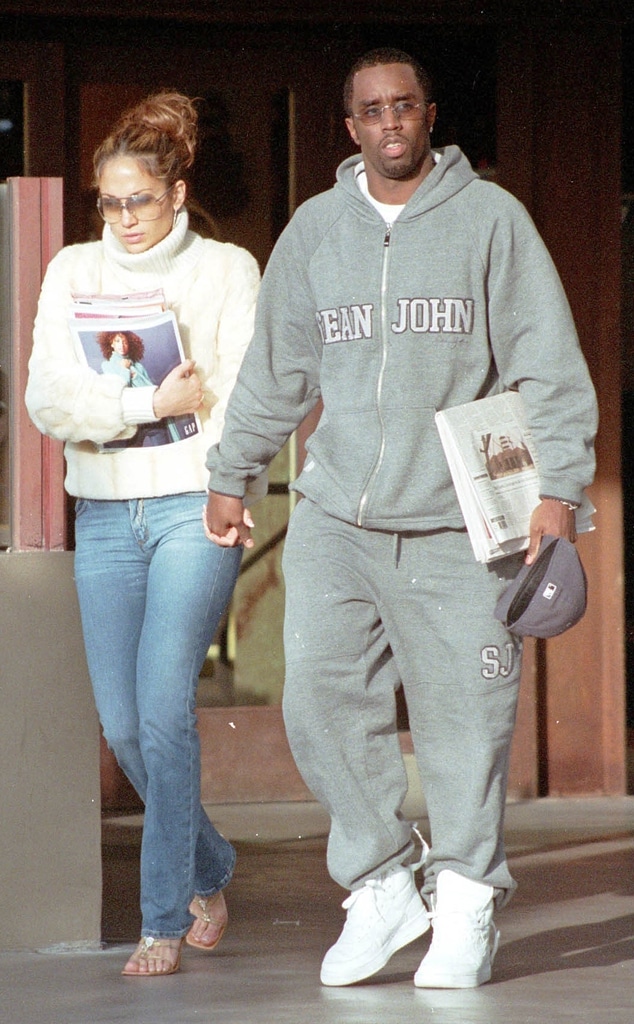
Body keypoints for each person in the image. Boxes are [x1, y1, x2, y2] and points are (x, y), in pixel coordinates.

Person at [204, 46, 598, 990]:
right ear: (350, 126)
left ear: (429, 116)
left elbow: (548, 361)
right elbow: (276, 371)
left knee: (467, 720)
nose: (390, 123)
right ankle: (383, 883)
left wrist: (560, 489)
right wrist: (232, 470)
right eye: (372, 110)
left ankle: (465, 896)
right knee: (318, 700)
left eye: (405, 107)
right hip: (338, 513)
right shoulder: (313, 232)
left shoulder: (491, 222)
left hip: (459, 522)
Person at [25, 91, 263, 977]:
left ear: (178, 193)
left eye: (141, 200)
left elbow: (244, 400)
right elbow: (47, 399)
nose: (124, 218)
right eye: (110, 201)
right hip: (105, 513)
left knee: (165, 711)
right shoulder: (73, 270)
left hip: (190, 510)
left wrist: (229, 481)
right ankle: (212, 867)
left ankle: (162, 919)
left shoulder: (228, 270)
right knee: (123, 724)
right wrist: (144, 405)